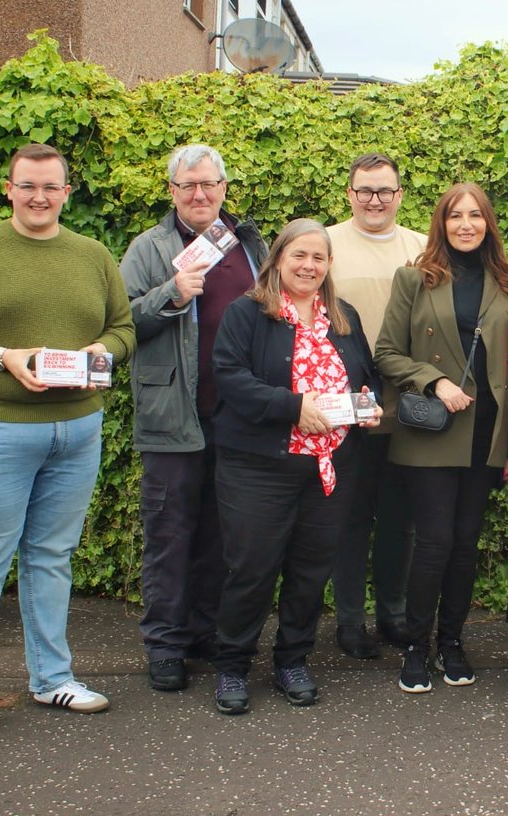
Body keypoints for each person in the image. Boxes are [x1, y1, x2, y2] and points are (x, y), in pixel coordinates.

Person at [0, 143, 136, 749]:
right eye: (28, 185)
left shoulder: (91, 256)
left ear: (68, 192)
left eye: (52, 186)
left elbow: (123, 329)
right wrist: (2, 355)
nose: (40, 197)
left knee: (51, 557)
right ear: (8, 189)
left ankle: (52, 678)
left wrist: (104, 352)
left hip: (77, 428)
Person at [210, 219, 382, 714]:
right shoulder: (248, 312)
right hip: (259, 466)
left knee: (310, 569)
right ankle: (233, 666)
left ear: (329, 265)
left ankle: (292, 661)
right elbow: (230, 377)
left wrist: (370, 404)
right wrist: (293, 406)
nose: (309, 266)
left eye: (319, 258)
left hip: (330, 467)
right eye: (299, 256)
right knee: (253, 569)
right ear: (278, 259)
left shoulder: (342, 316)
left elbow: (368, 376)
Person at [120, 144, 268, 692]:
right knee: (170, 534)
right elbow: (118, 323)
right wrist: (171, 295)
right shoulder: (150, 247)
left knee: (222, 536)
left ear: (224, 188)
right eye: (188, 186)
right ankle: (165, 645)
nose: (200, 195)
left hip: (239, 419)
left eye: (208, 184)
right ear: (172, 192)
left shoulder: (250, 244)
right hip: (174, 416)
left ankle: (204, 632)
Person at [374, 182, 508, 693]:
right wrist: (433, 380)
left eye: (476, 216)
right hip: (432, 430)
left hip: (487, 432)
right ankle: (416, 647)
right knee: (435, 542)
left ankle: (452, 642)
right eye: (456, 216)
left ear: (488, 223)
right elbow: (387, 353)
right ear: (441, 223)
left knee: (464, 545)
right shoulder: (414, 278)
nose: (466, 224)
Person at [327, 153, 427, 659]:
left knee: (399, 521)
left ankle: (392, 614)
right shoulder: (325, 245)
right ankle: (349, 622)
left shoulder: (423, 248)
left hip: (407, 407)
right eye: (365, 190)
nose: (375, 200)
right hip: (343, 406)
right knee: (348, 519)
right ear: (349, 193)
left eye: (385, 191)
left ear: (400, 195)